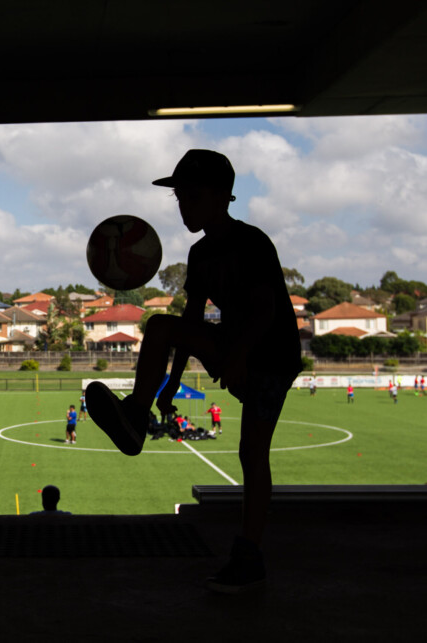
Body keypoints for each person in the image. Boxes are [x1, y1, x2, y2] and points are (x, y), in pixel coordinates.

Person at [86, 149, 301, 594]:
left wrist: (239, 356)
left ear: (223, 197)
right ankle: (136, 418)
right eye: (179, 197)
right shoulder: (200, 251)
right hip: (234, 346)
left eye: (192, 195)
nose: (184, 204)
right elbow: (192, 321)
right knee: (162, 326)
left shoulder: (252, 242)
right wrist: (173, 381)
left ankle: (249, 556)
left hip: (271, 357)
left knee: (251, 453)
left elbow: (266, 312)